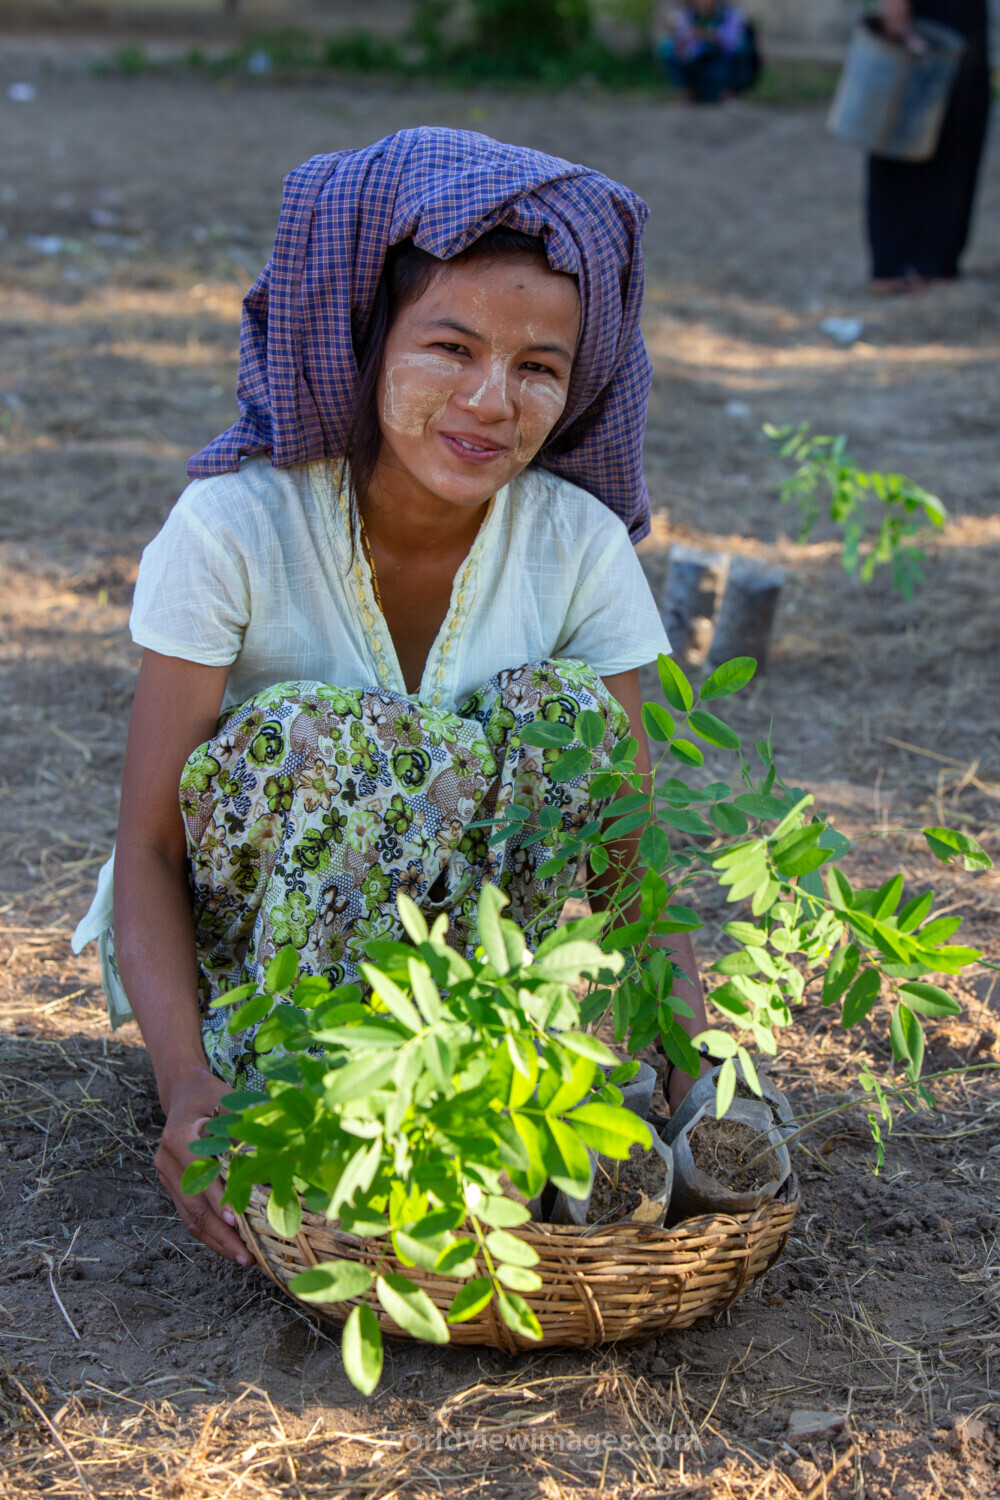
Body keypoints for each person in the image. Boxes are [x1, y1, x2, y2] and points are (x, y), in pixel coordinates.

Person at [72, 129, 713, 1266]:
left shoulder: (575, 548)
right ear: (366, 343)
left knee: (565, 718)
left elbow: (628, 851)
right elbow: (150, 848)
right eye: (449, 345)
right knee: (326, 735)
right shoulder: (234, 531)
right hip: (264, 987)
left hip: (469, 1006)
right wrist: (184, 1089)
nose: (488, 399)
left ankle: (454, 1102)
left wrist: (692, 1062)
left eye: (537, 367)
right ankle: (286, 1091)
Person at [868, 0, 991, 291]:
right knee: (909, 122)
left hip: (963, 14)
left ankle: (937, 262)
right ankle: (900, 265)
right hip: (927, 11)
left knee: (960, 124)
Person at [657, 0, 759, 103]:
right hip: (697, 61)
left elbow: (732, 40)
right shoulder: (686, 15)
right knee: (667, 48)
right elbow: (681, 36)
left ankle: (731, 92)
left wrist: (706, 35)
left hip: (723, 59)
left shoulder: (731, 13)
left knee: (743, 46)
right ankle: (688, 92)